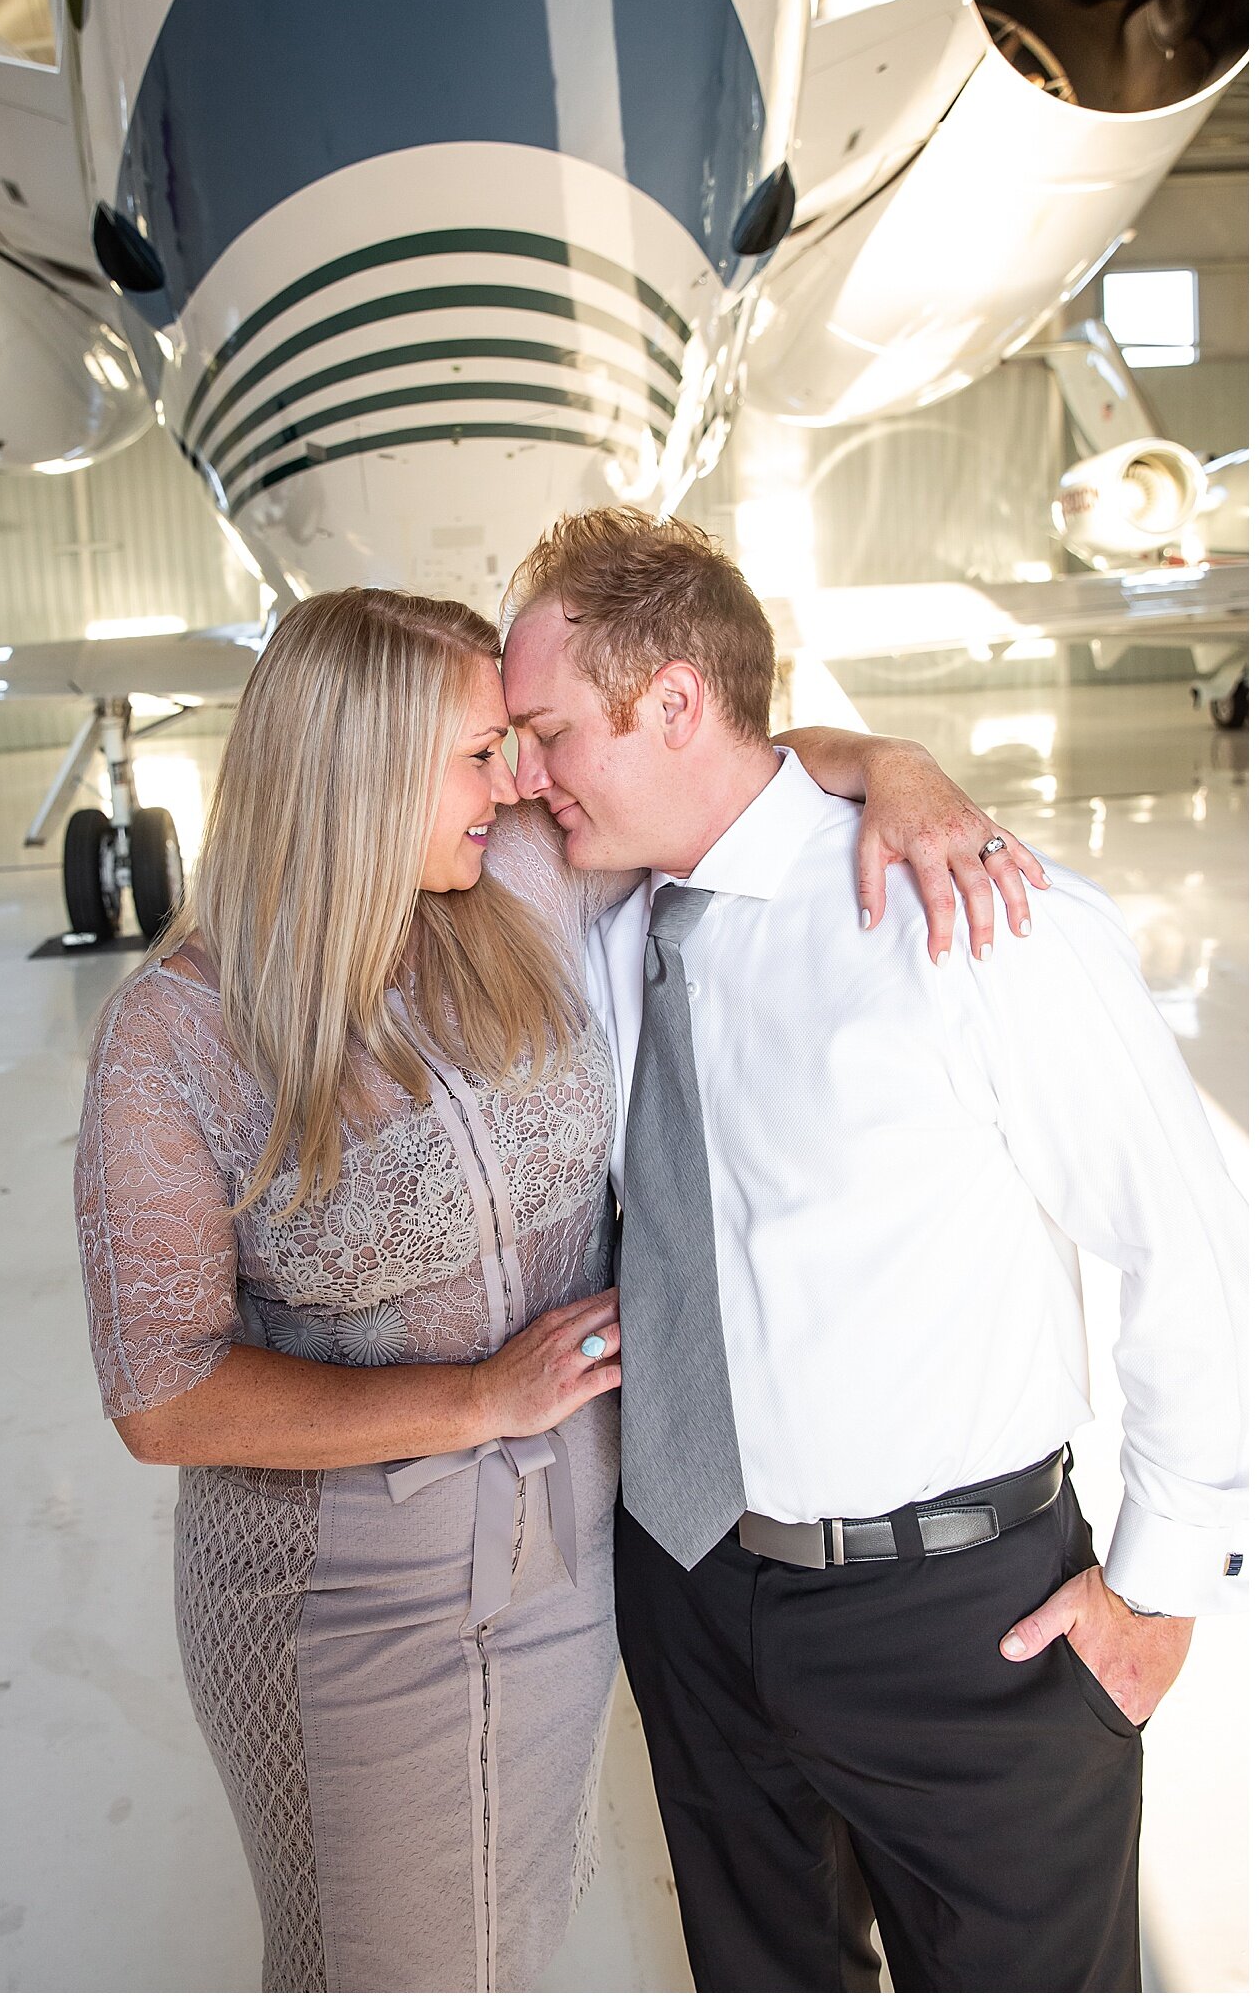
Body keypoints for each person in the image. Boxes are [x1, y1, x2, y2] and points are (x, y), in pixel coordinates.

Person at [74, 584, 1035, 1993]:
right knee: (388, 1962)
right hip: (346, 1601)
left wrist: (893, 767)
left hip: (569, 1570)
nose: (521, 778)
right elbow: (161, 1395)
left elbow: (720, 775)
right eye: (482, 752)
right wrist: (475, 1397)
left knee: (507, 1936)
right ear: (360, 768)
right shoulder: (179, 1035)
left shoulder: (509, 884)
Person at [501, 507, 1247, 1996]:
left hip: (962, 1625)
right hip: (690, 1589)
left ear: (672, 705)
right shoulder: (602, 910)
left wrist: (1162, 1590)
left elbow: (1197, 1245)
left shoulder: (969, 915)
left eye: (548, 731)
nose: (524, 774)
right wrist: (867, 749)